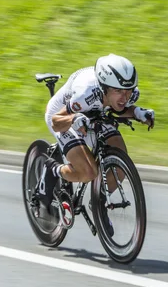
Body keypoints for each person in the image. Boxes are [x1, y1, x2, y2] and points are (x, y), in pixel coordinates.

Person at [35, 53, 155, 217]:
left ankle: (99, 203)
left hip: (94, 112)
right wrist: (75, 119)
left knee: (120, 164)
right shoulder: (85, 94)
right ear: (104, 88)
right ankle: (52, 170)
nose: (125, 97)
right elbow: (57, 121)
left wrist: (138, 113)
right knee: (89, 172)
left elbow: (118, 106)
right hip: (64, 115)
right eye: (118, 91)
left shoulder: (127, 93)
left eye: (128, 91)